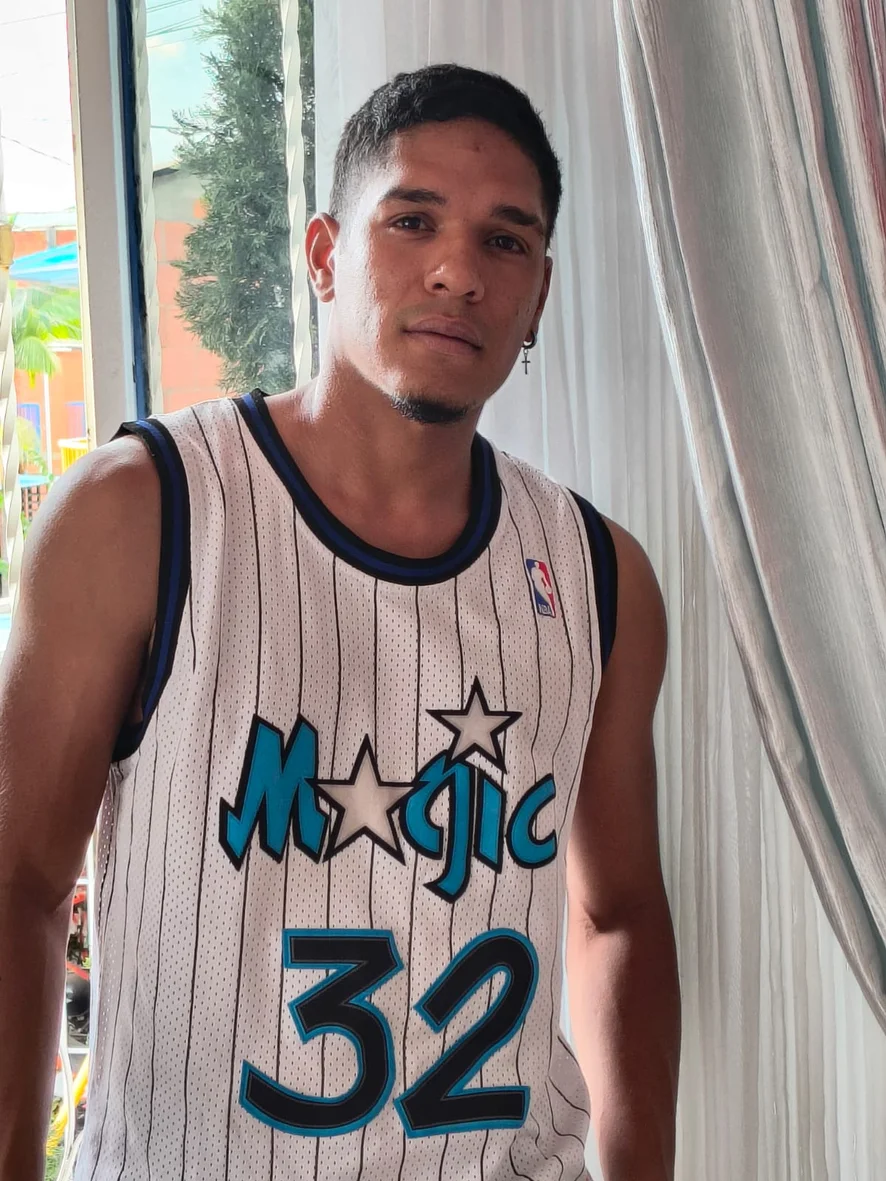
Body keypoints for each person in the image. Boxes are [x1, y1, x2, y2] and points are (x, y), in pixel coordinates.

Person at [0, 64, 680, 1181]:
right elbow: (20, 884)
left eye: (506, 240)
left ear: (539, 294)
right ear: (323, 254)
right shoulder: (140, 512)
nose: (458, 270)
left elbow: (620, 916)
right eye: (412, 220)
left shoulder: (600, 575)